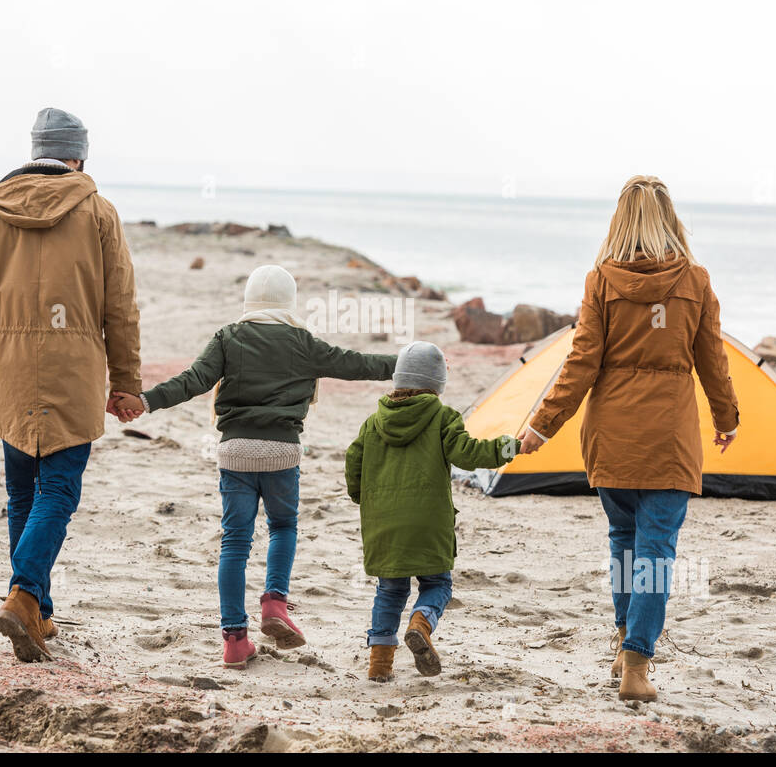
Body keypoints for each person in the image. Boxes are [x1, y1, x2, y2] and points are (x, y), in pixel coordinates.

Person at [518, 175, 739, 702]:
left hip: (611, 434)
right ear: (670, 219)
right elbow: (713, 359)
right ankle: (637, 665)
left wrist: (541, 423)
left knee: (623, 543)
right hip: (670, 438)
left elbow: (580, 365)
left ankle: (624, 645)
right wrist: (727, 417)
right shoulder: (696, 281)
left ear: (620, 221)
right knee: (656, 553)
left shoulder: (601, 281)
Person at [112, 265, 396, 669]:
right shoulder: (303, 343)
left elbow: (193, 381)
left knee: (235, 543)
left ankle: (234, 641)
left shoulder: (229, 337)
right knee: (282, 527)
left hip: (235, 453)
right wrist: (405, 365)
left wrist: (144, 401)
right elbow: (356, 364)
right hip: (281, 453)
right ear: (289, 302)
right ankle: (275, 604)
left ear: (249, 300)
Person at [0, 107, 142, 662]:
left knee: (20, 492)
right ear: (77, 155)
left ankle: (42, 612)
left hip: (9, 370)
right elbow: (120, 307)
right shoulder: (99, 213)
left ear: (36, 150)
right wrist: (126, 380)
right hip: (74, 368)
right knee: (58, 488)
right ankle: (25, 595)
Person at [345, 341, 519, 682]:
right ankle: (421, 623)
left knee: (390, 590)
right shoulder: (442, 417)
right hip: (428, 523)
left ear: (397, 380)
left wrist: (362, 497)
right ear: (437, 384)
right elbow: (469, 454)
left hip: (383, 524)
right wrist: (508, 447)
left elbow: (354, 463)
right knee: (437, 583)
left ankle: (379, 664)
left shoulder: (372, 423)